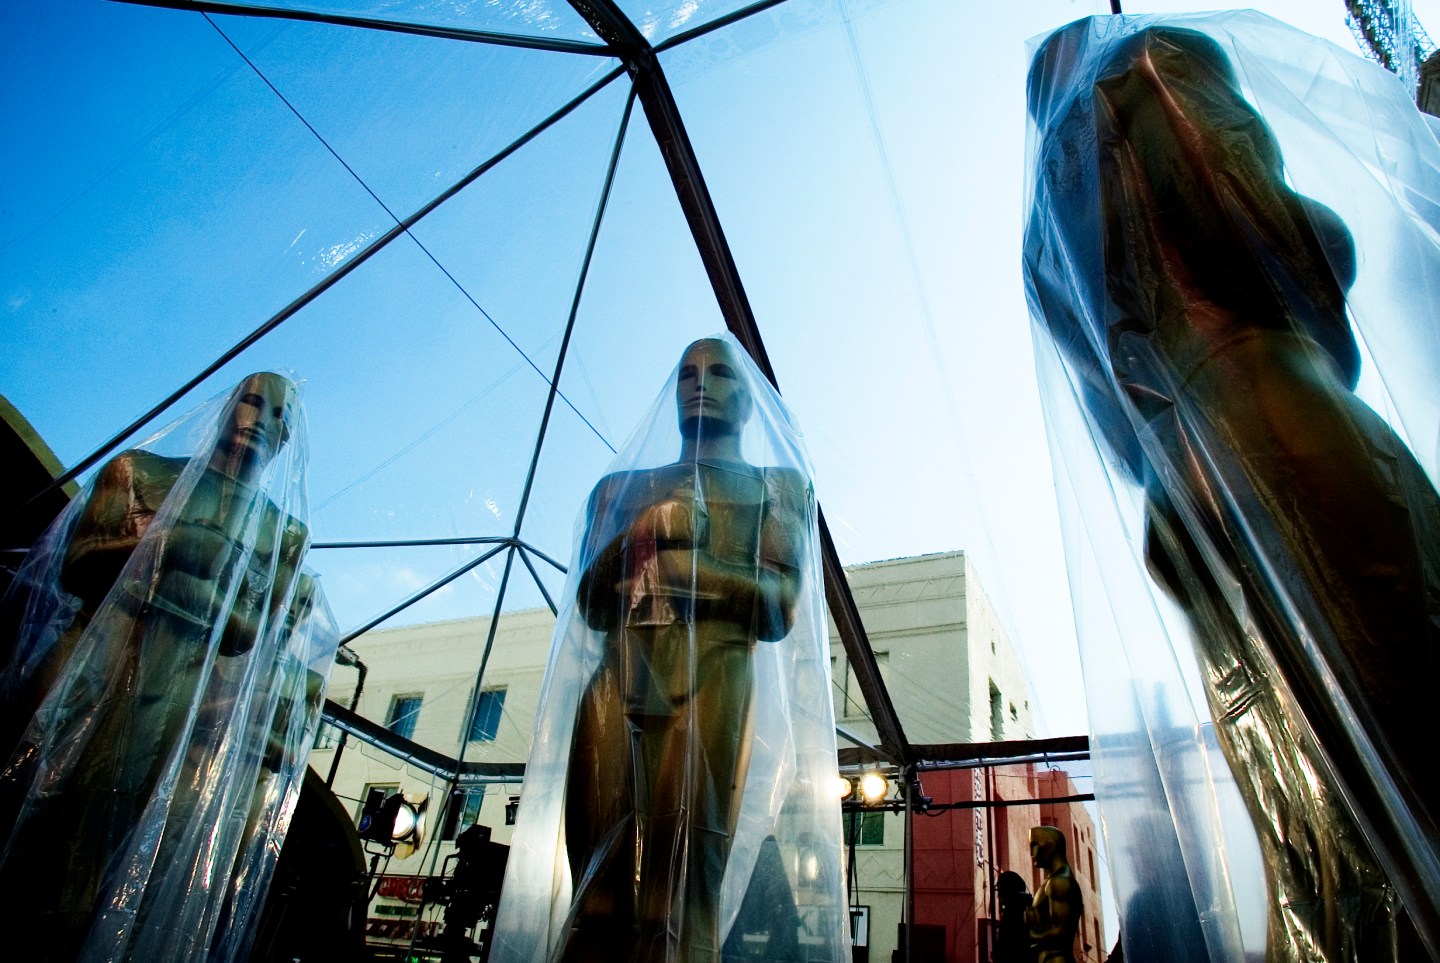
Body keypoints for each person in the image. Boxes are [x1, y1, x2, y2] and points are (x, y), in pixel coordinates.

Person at [1024, 19, 1440, 961]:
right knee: (1411, 733)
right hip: (1270, 406)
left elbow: (1112, 428)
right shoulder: (1145, 77)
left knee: (1317, 812)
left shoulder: (1041, 243)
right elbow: (1261, 223)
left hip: (1177, 492)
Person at [0, 371, 310, 961]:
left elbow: (248, 635)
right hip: (93, 655)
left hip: (175, 690)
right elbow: (76, 563)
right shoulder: (137, 471)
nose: (262, 422)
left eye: (279, 417)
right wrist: (168, 547)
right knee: (33, 799)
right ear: (225, 409)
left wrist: (206, 591)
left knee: (105, 840)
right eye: (251, 402)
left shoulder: (283, 532)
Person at [561, 337, 808, 963]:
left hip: (716, 671)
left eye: (721, 372)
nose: (701, 384)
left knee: (685, 885)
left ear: (749, 402)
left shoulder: (777, 486)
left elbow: (780, 605)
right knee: (597, 880)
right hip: (618, 679)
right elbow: (591, 605)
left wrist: (697, 571)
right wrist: (638, 540)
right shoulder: (619, 488)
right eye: (688, 374)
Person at [1025, 826, 1081, 963]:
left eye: (1035, 845)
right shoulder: (1053, 881)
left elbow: (1061, 931)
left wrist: (1030, 934)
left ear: (1051, 846)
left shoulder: (1059, 882)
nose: (1032, 853)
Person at [992, 870, 1032, 963]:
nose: (998, 896)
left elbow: (1007, 944)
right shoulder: (1029, 905)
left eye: (999, 889)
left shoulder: (1013, 908)